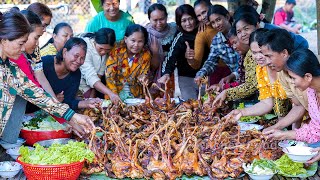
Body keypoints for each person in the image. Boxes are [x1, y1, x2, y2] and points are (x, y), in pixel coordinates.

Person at [0, 9, 94, 143]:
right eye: (21, 43)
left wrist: (71, 116)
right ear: (4, 40)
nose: (22, 50)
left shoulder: (11, 69)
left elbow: (38, 94)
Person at [228, 29, 291, 120]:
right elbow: (266, 103)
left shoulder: (285, 68)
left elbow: (298, 106)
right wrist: (242, 112)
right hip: (285, 124)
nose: (258, 57)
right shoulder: (261, 70)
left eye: (261, 52)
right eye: (254, 53)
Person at [259, 29, 308, 133]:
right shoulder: (282, 73)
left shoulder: (305, 69)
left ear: (284, 53)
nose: (266, 62)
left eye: (269, 56)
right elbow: (299, 106)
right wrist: (275, 127)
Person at [212, 13, 259, 107]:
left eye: (246, 29)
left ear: (257, 26)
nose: (243, 35)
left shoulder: (257, 51)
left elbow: (251, 86)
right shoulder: (247, 55)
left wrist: (226, 92)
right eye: (239, 32)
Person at [43, 37, 101, 110]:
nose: (79, 61)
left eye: (82, 58)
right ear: (65, 52)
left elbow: (68, 102)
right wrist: (52, 98)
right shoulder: (45, 63)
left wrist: (87, 103)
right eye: (76, 56)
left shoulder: (76, 74)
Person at [158, 4, 201, 100]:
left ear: (195, 18)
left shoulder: (203, 31)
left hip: (205, 76)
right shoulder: (180, 37)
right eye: (184, 21)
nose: (188, 23)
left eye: (190, 19)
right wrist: (166, 73)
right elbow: (171, 56)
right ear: (179, 23)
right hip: (186, 79)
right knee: (191, 107)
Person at [194, 5, 239, 87]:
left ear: (227, 17)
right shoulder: (217, 40)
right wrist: (200, 74)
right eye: (213, 23)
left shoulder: (240, 32)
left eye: (218, 20)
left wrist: (234, 75)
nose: (216, 25)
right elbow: (211, 62)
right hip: (238, 82)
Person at [105, 24, 151, 98]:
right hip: (113, 94)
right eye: (133, 40)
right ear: (126, 39)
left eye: (140, 41)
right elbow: (109, 76)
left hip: (136, 96)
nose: (136, 45)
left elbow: (144, 73)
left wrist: (144, 78)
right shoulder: (116, 51)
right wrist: (114, 95)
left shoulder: (145, 54)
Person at [78, 28, 121, 102]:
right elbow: (91, 76)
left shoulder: (106, 52)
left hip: (92, 88)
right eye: (101, 48)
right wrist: (110, 93)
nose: (103, 52)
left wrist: (92, 97)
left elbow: (99, 76)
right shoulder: (85, 48)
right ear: (94, 41)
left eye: (107, 50)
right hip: (79, 87)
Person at [145, 3, 177, 96]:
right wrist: (155, 53)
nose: (159, 23)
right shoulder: (145, 34)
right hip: (150, 74)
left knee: (167, 101)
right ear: (149, 19)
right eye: (155, 20)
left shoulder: (174, 29)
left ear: (167, 17)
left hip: (169, 73)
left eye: (162, 19)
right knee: (150, 102)